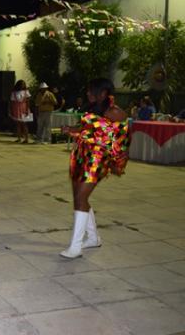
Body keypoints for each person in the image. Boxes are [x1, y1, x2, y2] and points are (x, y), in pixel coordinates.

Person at [60, 78, 130, 259]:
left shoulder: (116, 113)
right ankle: (93, 238)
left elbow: (123, 141)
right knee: (79, 197)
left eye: (91, 91)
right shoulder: (93, 108)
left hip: (97, 160)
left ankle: (75, 247)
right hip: (81, 155)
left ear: (103, 93)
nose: (88, 94)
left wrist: (118, 163)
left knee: (80, 198)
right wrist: (71, 130)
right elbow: (86, 129)